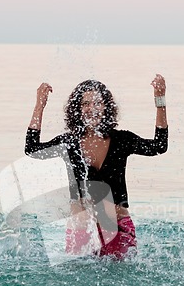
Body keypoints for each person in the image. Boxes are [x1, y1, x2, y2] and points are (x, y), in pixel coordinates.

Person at [25, 75, 168, 259]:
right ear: (77, 109)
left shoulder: (122, 140)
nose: (91, 109)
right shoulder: (69, 142)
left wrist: (160, 100)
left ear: (106, 107)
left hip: (118, 229)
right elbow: (32, 149)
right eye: (85, 104)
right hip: (82, 232)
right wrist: (40, 106)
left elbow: (159, 146)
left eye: (97, 103)